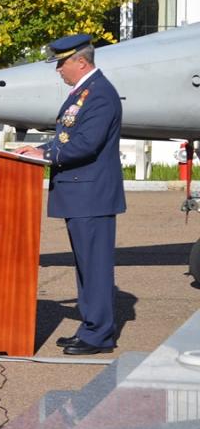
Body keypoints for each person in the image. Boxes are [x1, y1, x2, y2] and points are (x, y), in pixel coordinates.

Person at [16, 33, 125, 355]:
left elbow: (86, 144)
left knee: (95, 267)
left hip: (91, 195)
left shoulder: (100, 94)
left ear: (81, 61)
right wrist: (38, 149)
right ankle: (91, 327)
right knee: (86, 268)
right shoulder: (85, 92)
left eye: (61, 63)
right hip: (81, 194)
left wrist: (47, 156)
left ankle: (99, 334)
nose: (58, 70)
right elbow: (67, 136)